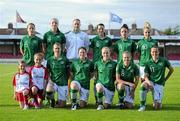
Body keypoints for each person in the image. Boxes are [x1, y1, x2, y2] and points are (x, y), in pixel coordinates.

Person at [138, 46, 174, 111]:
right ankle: (142, 106)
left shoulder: (164, 60)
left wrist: (165, 79)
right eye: (153, 52)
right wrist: (149, 83)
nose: (154, 53)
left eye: (156, 52)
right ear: (151, 53)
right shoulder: (148, 62)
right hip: (151, 82)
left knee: (157, 107)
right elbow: (145, 76)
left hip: (159, 84)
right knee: (143, 85)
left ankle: (157, 101)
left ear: (159, 52)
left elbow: (171, 70)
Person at [90, 23, 112, 105]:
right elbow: (92, 51)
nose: (100, 30)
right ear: (97, 30)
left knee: (107, 80)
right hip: (96, 64)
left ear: (104, 29)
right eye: (99, 28)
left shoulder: (108, 40)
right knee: (96, 81)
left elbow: (110, 51)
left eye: (102, 28)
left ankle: (107, 97)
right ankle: (97, 99)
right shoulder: (94, 40)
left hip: (106, 64)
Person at [46, 42, 69, 108]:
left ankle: (58, 102)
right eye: (56, 48)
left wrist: (66, 80)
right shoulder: (50, 60)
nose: (57, 50)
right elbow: (48, 71)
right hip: (54, 82)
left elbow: (68, 72)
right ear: (53, 49)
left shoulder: (65, 59)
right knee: (48, 89)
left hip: (63, 83)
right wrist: (50, 80)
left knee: (62, 105)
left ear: (61, 49)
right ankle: (52, 101)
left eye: (58, 48)